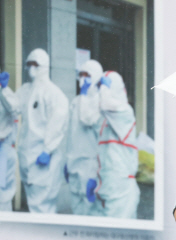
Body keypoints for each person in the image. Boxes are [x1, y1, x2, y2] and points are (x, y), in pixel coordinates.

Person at [16, 49, 69, 213]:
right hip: (27, 156)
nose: (32, 68)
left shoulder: (54, 94)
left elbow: (58, 123)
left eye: (36, 65)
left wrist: (47, 149)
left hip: (43, 157)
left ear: (44, 66)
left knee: (43, 206)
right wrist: (3, 91)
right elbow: (12, 106)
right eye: (29, 64)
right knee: (33, 203)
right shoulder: (25, 90)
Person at [95, 71, 140, 218]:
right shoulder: (106, 118)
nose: (101, 90)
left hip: (122, 187)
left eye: (105, 86)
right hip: (108, 185)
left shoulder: (124, 112)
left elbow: (106, 104)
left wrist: (103, 88)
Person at [65, 59, 104, 216]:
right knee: (76, 208)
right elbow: (71, 133)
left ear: (95, 76)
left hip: (90, 165)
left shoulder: (100, 101)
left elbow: (87, 119)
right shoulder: (76, 101)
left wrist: (84, 97)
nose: (82, 78)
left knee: (90, 211)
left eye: (87, 75)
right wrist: (66, 161)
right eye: (80, 74)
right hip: (73, 162)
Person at [0, 70, 19, 211]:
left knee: (2, 192)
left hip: (3, 147)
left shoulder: (6, 94)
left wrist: (4, 89)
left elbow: (14, 109)